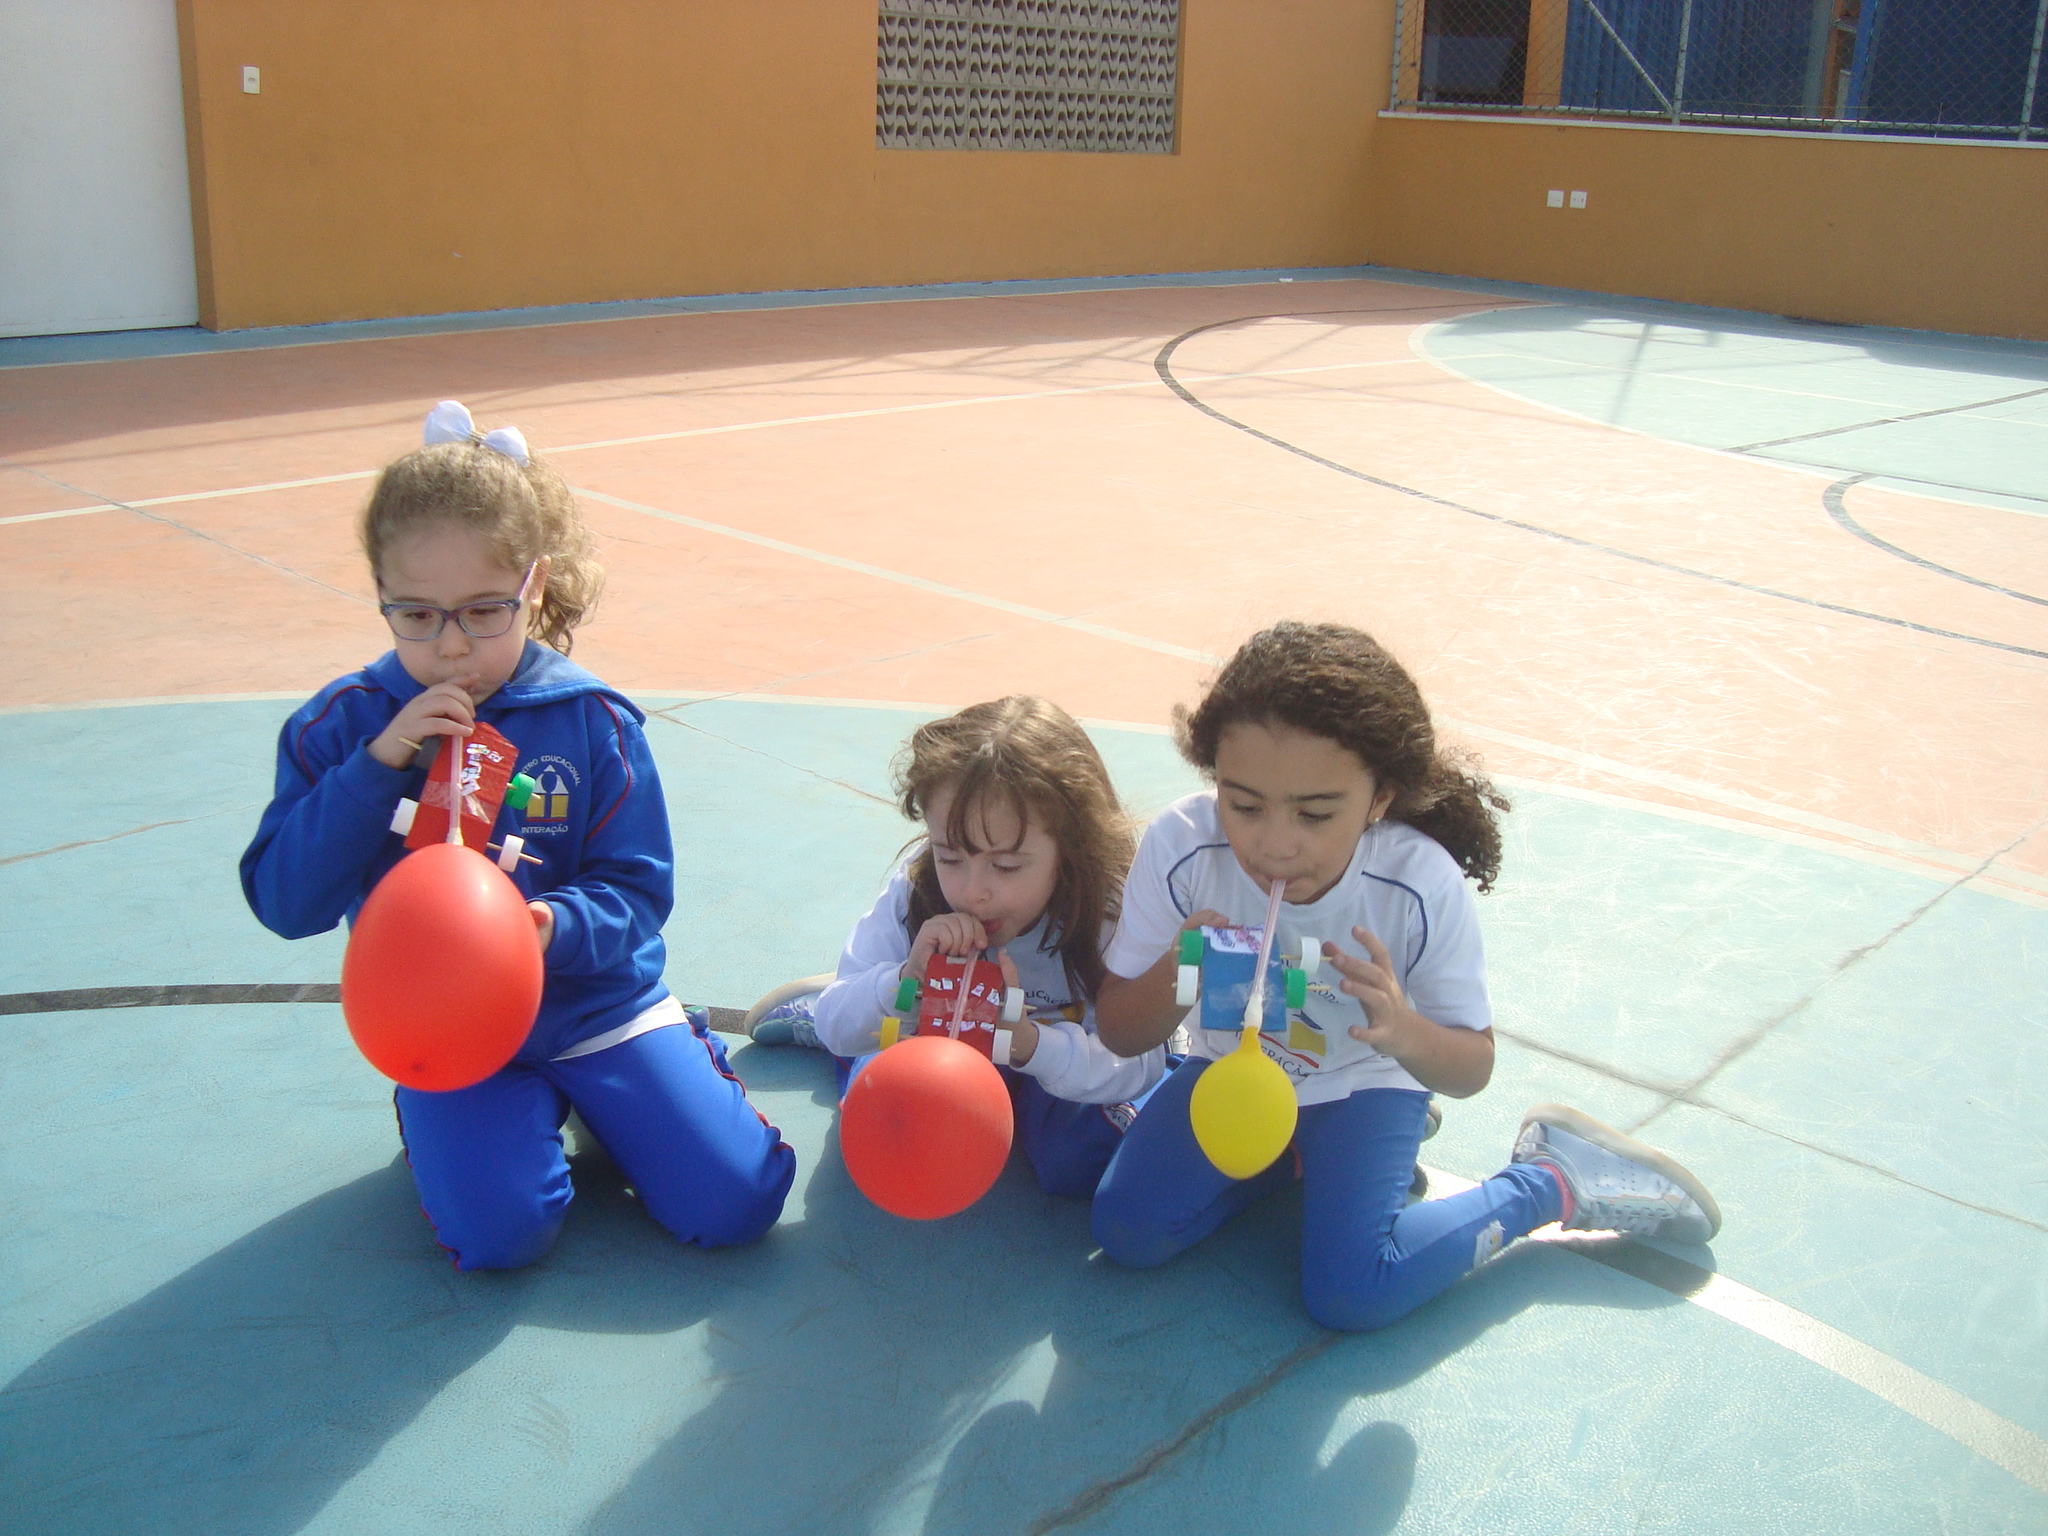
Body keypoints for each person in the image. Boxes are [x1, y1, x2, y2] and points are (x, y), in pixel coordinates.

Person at [241, 401, 794, 1269]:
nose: (451, 646)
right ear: (379, 592)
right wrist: (376, 767)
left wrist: (545, 929)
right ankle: (451, 1118)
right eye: (415, 614)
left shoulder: (592, 721)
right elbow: (283, 900)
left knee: (737, 1203)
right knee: (501, 1239)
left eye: (484, 610)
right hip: (451, 1036)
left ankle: (657, 1075)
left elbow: (639, 892)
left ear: (534, 585)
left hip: (595, 1007)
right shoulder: (343, 726)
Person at [1090, 620, 1720, 1330]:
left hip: (1365, 1085)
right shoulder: (1182, 849)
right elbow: (1118, 1031)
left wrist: (1403, 1032)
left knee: (1354, 1292)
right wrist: (1180, 971)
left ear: (1379, 799)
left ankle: (1550, 1179)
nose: (1273, 842)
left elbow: (1470, 1065)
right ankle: (1291, 1160)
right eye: (1244, 805)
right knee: (1127, 1231)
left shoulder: (1416, 883)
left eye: (1316, 813)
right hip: (1230, 1080)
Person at [746, 696, 1167, 1198]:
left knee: (1077, 1163)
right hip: (933, 1039)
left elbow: (1140, 1063)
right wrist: (904, 984)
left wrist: (1029, 1044)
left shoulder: (1110, 914)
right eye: (950, 856)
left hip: (1048, 1053)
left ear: (1071, 850)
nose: (973, 890)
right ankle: (824, 1006)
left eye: (1007, 866)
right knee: (888, 1116)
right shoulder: (919, 892)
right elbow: (840, 1025)